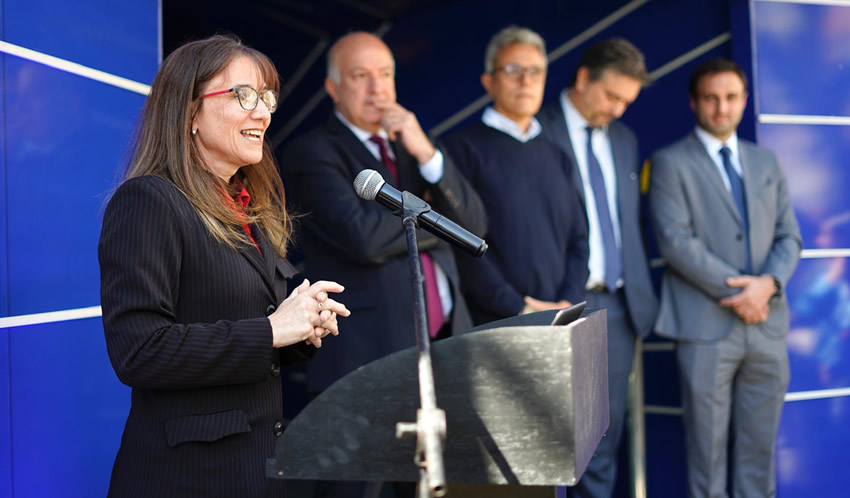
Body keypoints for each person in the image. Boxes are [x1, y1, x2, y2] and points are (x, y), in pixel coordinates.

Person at [98, 35, 350, 498]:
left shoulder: (245, 210)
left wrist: (304, 323)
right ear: (190, 111)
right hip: (186, 478)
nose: (263, 113)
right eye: (244, 96)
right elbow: (139, 351)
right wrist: (273, 330)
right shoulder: (149, 201)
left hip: (253, 472)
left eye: (267, 98)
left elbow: (258, 329)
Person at [281, 32, 486, 395]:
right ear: (333, 87)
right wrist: (437, 221)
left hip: (448, 336)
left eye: (386, 74)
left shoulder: (413, 143)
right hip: (369, 349)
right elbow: (363, 237)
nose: (377, 88)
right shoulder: (312, 152)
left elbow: (474, 225)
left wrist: (425, 151)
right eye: (361, 76)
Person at [649, 58, 801, 498]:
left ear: (744, 100)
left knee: (760, 453)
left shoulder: (766, 161)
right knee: (706, 455)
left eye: (731, 97)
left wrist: (767, 285)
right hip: (705, 328)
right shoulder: (668, 162)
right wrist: (743, 291)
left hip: (767, 325)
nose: (722, 108)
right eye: (712, 98)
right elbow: (676, 242)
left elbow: (790, 236)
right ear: (695, 103)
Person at [536, 38, 658, 498]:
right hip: (559, 303)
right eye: (612, 97)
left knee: (602, 443)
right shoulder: (538, 130)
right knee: (551, 439)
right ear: (584, 78)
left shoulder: (624, 140)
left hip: (618, 307)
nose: (618, 110)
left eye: (627, 101)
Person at [442, 26, 589, 325]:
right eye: (513, 70)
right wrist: (518, 308)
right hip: (495, 324)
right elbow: (462, 243)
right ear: (488, 81)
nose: (526, 81)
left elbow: (579, 239)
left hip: (560, 320)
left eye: (535, 72)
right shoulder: (460, 150)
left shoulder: (556, 154)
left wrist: (566, 301)